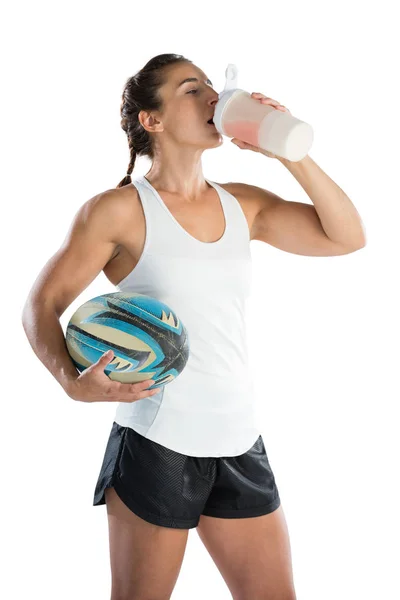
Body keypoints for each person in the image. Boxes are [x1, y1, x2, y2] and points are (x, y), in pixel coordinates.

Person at [22, 53, 366, 600]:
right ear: (150, 121)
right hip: (159, 438)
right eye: (191, 89)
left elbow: (346, 237)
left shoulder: (244, 205)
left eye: (211, 85)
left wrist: (290, 155)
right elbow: (41, 305)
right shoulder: (116, 211)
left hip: (238, 436)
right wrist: (70, 380)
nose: (212, 96)